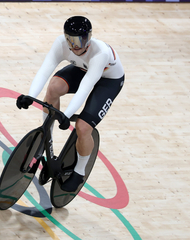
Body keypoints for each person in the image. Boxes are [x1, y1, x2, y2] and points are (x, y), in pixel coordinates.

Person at [16, 16, 125, 192]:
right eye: (71, 40)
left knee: (82, 127)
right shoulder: (60, 43)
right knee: (53, 87)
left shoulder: (100, 53)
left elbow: (85, 88)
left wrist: (67, 115)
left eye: (80, 40)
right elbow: (45, 69)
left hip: (108, 81)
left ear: (89, 37)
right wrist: (30, 95)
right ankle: (46, 137)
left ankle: (79, 171)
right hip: (83, 69)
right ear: (65, 37)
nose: (75, 45)